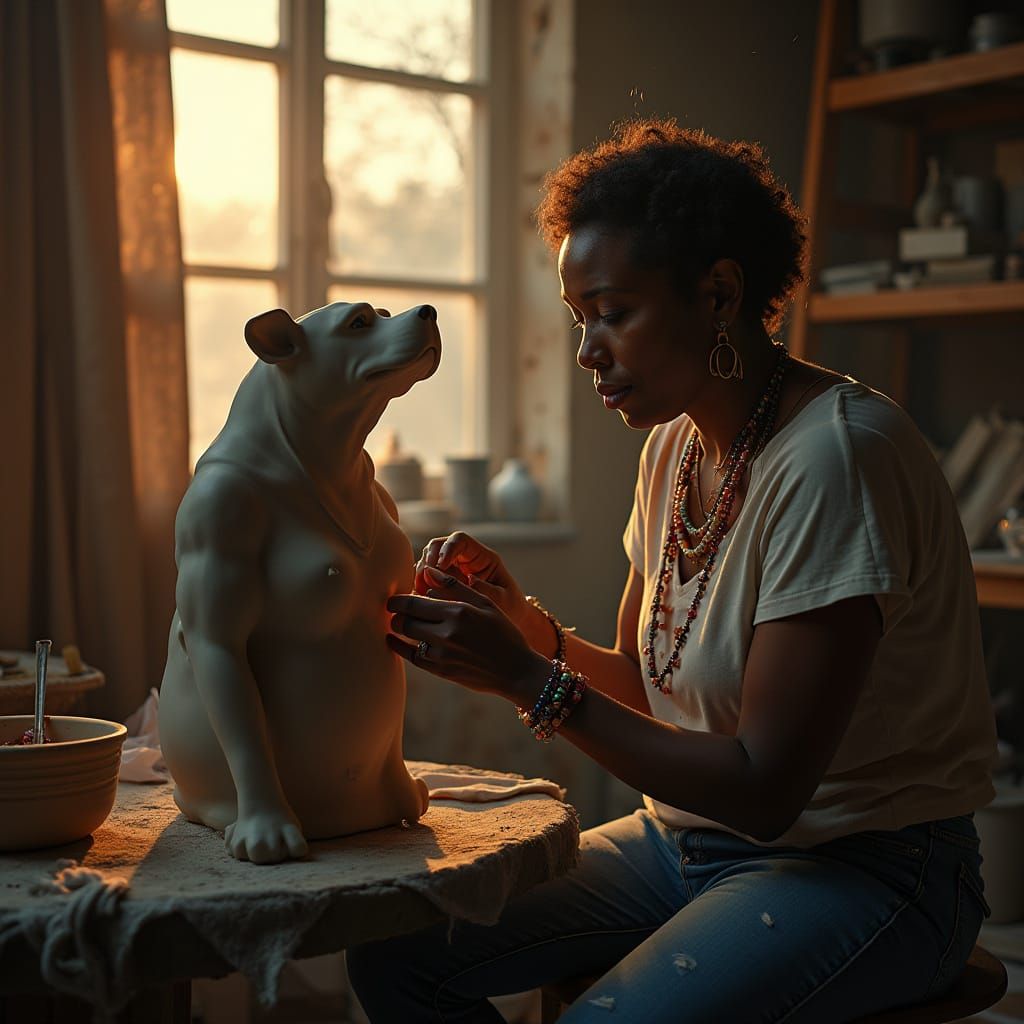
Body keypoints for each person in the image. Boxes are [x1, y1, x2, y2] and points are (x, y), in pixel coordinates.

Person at [346, 119, 998, 1023]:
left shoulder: (837, 459)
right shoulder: (674, 451)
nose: (588, 350)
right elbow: (648, 688)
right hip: (686, 846)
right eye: (580, 318)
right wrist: (523, 626)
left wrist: (525, 677)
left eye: (613, 312)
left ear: (719, 293)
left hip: (868, 868)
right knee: (395, 950)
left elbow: (766, 790)